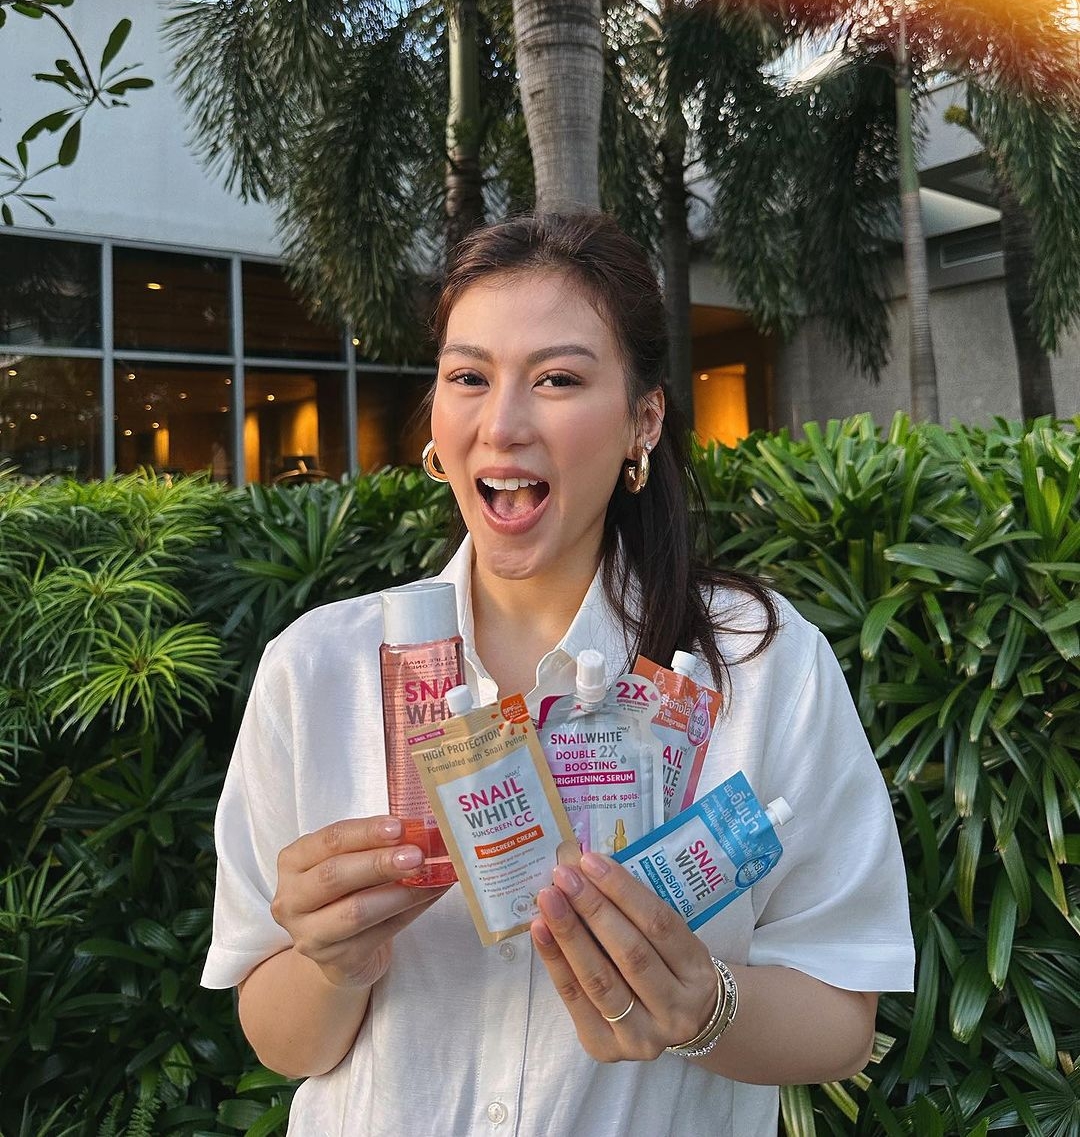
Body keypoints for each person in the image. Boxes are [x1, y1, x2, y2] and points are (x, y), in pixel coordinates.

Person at [202, 213, 914, 1136]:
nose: (501, 424)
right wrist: (334, 963)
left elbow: (842, 1020)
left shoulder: (761, 664)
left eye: (558, 379)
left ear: (643, 420)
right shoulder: (316, 668)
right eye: (468, 377)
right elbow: (280, 1039)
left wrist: (702, 1009)